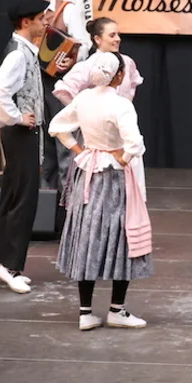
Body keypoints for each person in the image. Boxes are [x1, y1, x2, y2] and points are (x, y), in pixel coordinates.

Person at [50, 52, 153, 331]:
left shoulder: (84, 98)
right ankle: (117, 309)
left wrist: (80, 149)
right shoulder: (121, 105)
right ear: (118, 76)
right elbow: (135, 144)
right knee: (121, 237)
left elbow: (57, 126)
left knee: (88, 236)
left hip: (88, 173)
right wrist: (122, 157)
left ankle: (85, 312)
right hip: (113, 177)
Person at [0, 0, 49, 294]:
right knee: (22, 200)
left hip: (23, 134)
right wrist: (17, 118)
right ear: (26, 22)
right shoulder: (18, 55)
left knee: (16, 197)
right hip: (21, 134)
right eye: (41, 18)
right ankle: (9, 265)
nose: (45, 22)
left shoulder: (25, 51)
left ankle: (3, 262)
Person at [20, 0, 91, 197]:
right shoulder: (27, 14)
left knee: (63, 135)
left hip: (61, 83)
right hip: (35, 82)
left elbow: (83, 44)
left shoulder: (66, 9)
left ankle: (68, 196)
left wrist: (71, 59)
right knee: (43, 139)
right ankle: (46, 195)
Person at [54, 18, 143, 105]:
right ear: (97, 39)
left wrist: (127, 104)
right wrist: (81, 111)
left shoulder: (128, 62)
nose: (118, 39)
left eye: (118, 35)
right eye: (112, 35)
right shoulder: (89, 65)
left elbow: (134, 82)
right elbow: (63, 90)